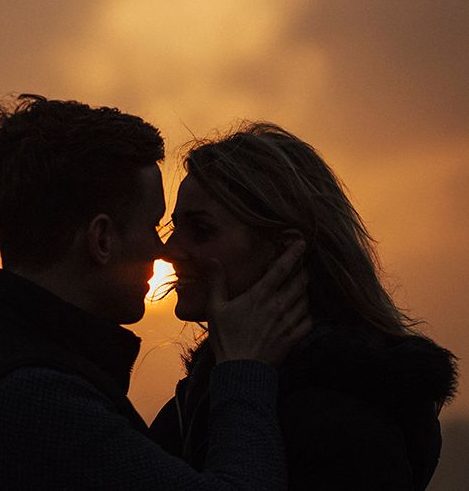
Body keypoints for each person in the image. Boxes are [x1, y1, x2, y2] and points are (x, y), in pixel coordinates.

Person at [0, 96, 311, 491]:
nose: (165, 251)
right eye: (154, 226)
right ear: (101, 240)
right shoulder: (35, 402)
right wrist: (243, 371)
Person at [149, 121, 458, 491]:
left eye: (201, 230)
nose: (169, 251)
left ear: (284, 250)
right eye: (173, 227)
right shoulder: (206, 390)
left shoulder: (344, 420)